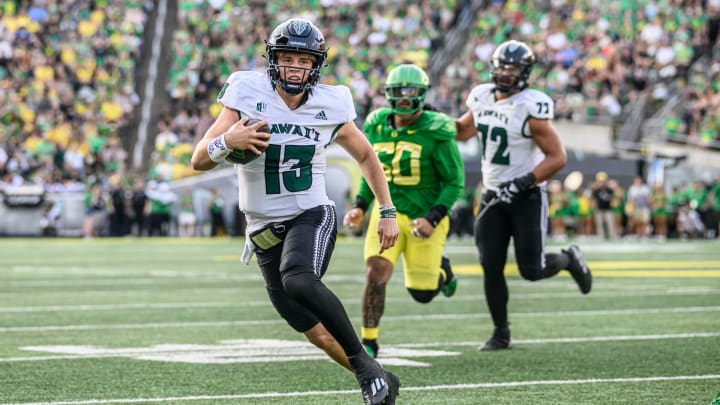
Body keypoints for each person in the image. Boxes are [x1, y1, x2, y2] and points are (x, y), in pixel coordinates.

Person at [190, 18, 400, 405]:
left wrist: (387, 210)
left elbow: (367, 155)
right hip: (262, 227)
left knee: (298, 279)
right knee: (314, 331)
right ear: (272, 60)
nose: (295, 68)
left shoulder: (331, 103)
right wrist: (227, 140)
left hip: (311, 212)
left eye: (303, 61)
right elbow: (198, 160)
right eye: (287, 58)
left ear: (315, 65)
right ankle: (380, 378)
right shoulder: (245, 92)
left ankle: (364, 366)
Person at [455, 40, 593, 350]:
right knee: (490, 265)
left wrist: (523, 181)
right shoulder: (481, 96)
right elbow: (462, 131)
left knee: (532, 270)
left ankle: (569, 258)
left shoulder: (531, 105)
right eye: (502, 67)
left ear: (525, 72)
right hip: (492, 193)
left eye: (512, 68)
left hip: (526, 196)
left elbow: (557, 157)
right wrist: (429, 122)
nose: (505, 73)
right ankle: (500, 332)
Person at [343, 64, 465, 358]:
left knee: (422, 294)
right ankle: (369, 341)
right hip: (389, 211)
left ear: (422, 95)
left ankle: (442, 271)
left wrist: (433, 218)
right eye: (400, 92)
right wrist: (360, 205)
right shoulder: (376, 124)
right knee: (376, 270)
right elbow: (371, 170)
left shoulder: (437, 129)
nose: (406, 99)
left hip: (425, 216)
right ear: (389, 94)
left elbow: (454, 181)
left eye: (412, 93)